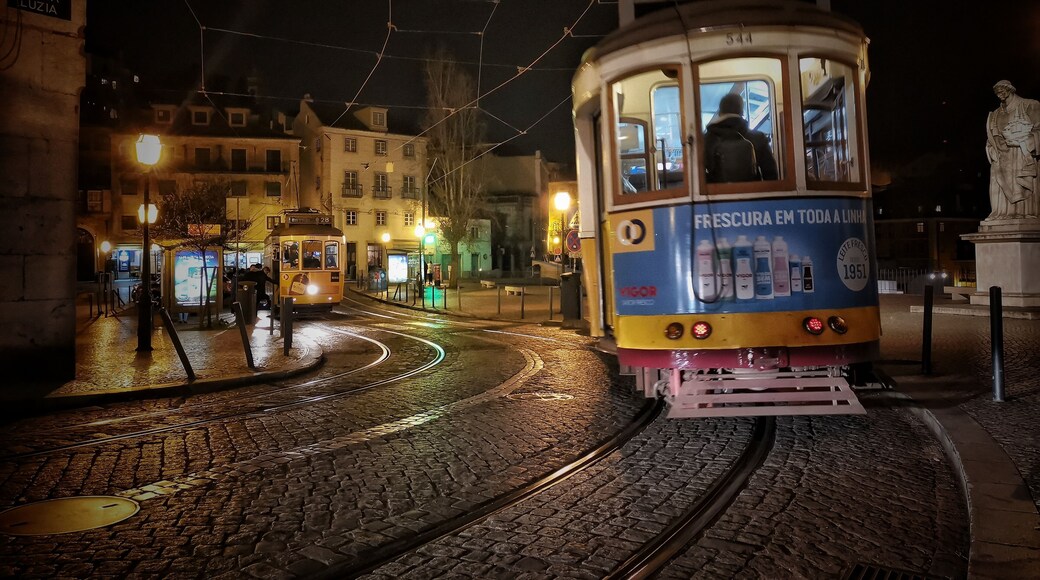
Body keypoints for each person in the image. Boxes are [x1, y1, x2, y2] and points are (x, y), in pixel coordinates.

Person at [985, 80, 1040, 219]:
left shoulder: (1030, 105)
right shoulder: (996, 113)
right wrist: (992, 145)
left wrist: (1024, 140)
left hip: (1020, 154)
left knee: (1022, 194)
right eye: (997, 93)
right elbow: (991, 137)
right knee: (999, 192)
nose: (1000, 95)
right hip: (1001, 157)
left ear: (1010, 90)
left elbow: (1038, 130)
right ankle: (1002, 213)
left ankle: (1022, 213)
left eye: (1002, 92)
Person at [704, 93, 778, 183]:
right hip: (752, 193)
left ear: (720, 112)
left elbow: (700, 175)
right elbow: (770, 174)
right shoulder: (758, 138)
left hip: (718, 195)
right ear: (742, 112)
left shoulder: (705, 140)